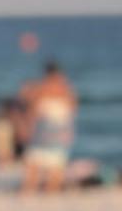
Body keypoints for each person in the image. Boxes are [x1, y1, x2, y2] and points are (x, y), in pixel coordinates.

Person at [19, 61, 79, 194]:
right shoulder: (66, 89)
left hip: (44, 131)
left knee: (34, 169)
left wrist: (26, 128)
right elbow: (72, 111)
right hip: (59, 131)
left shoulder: (40, 88)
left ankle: (31, 192)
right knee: (54, 169)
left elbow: (31, 111)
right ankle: (49, 192)